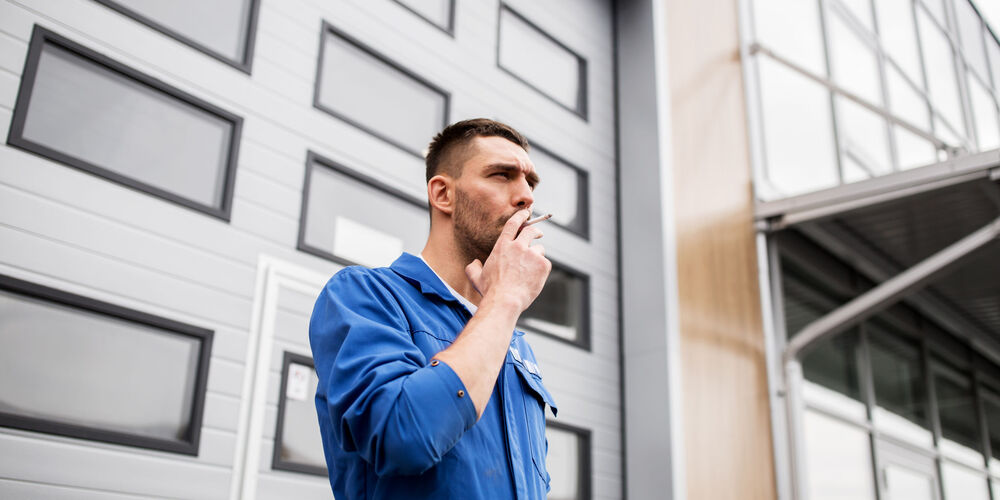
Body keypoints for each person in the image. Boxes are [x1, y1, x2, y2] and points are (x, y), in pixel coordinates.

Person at [309, 118, 558, 499]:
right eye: (502, 175)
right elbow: (402, 438)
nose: (526, 196)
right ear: (443, 194)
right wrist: (505, 300)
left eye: (530, 183)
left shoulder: (514, 342)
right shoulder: (365, 296)